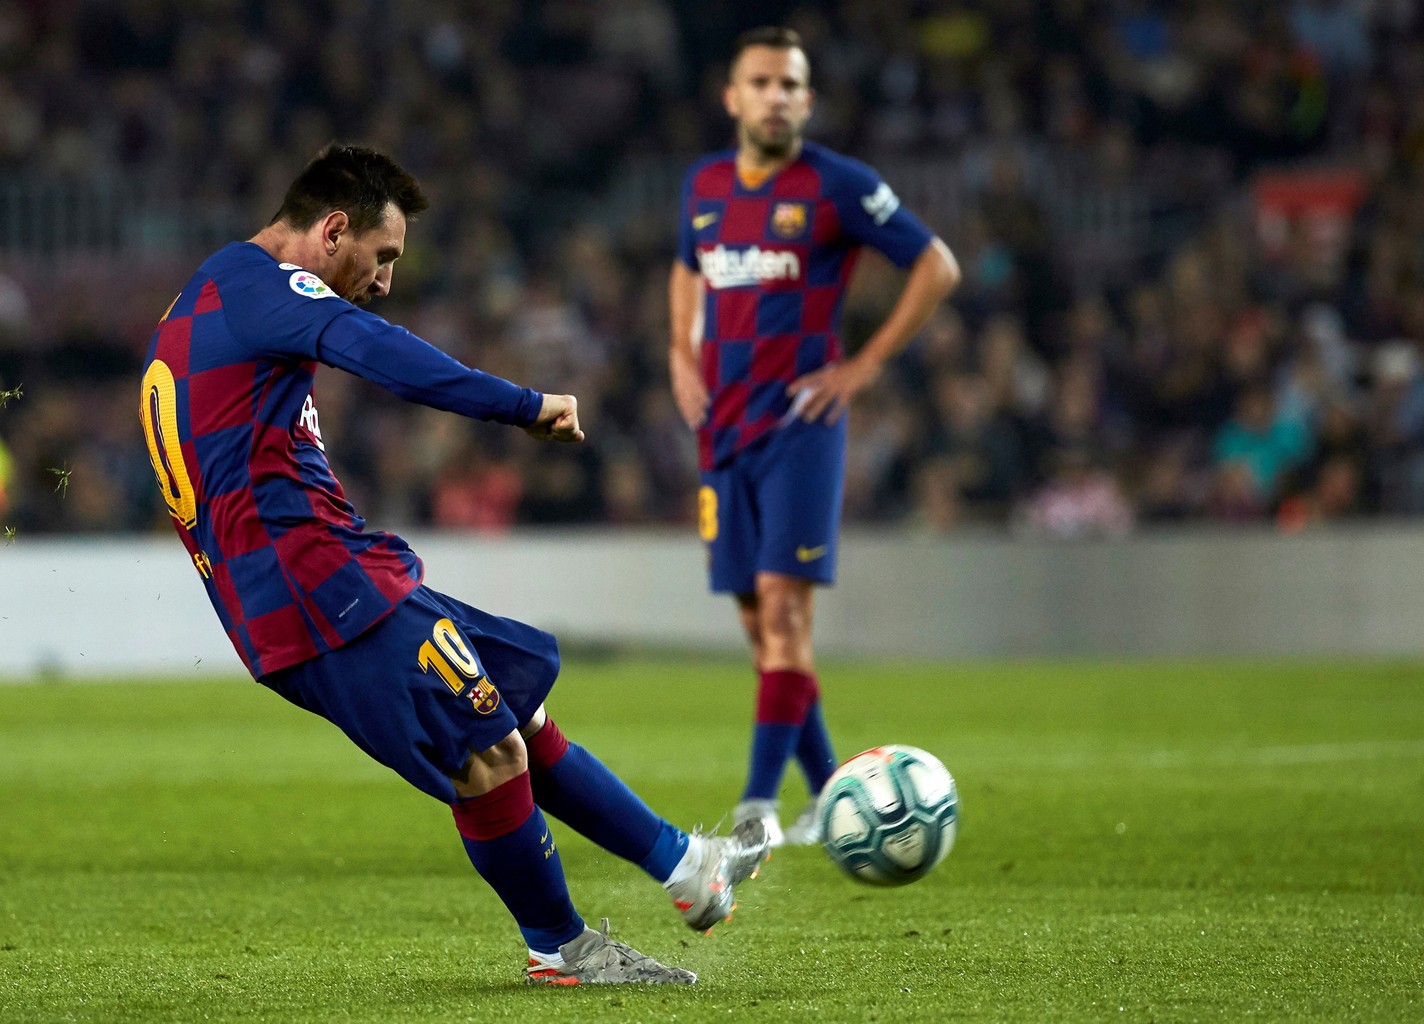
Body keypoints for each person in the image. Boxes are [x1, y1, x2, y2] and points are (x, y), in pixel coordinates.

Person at [136, 144, 766, 986]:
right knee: (490, 752)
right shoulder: (265, 287)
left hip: (322, 578)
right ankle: (563, 950)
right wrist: (526, 406)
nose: (386, 280)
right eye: (383, 255)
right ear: (331, 231)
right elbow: (382, 353)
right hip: (320, 589)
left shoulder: (205, 295)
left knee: (515, 713)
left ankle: (687, 868)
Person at [668, 28, 961, 846]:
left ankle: (758, 809)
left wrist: (862, 365)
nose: (775, 97)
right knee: (761, 630)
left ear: (807, 99)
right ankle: (833, 794)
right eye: (760, 82)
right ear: (733, 97)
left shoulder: (838, 185)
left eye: (790, 84)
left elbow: (936, 264)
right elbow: (687, 266)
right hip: (720, 428)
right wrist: (676, 352)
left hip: (801, 425)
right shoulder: (703, 185)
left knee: (787, 617)